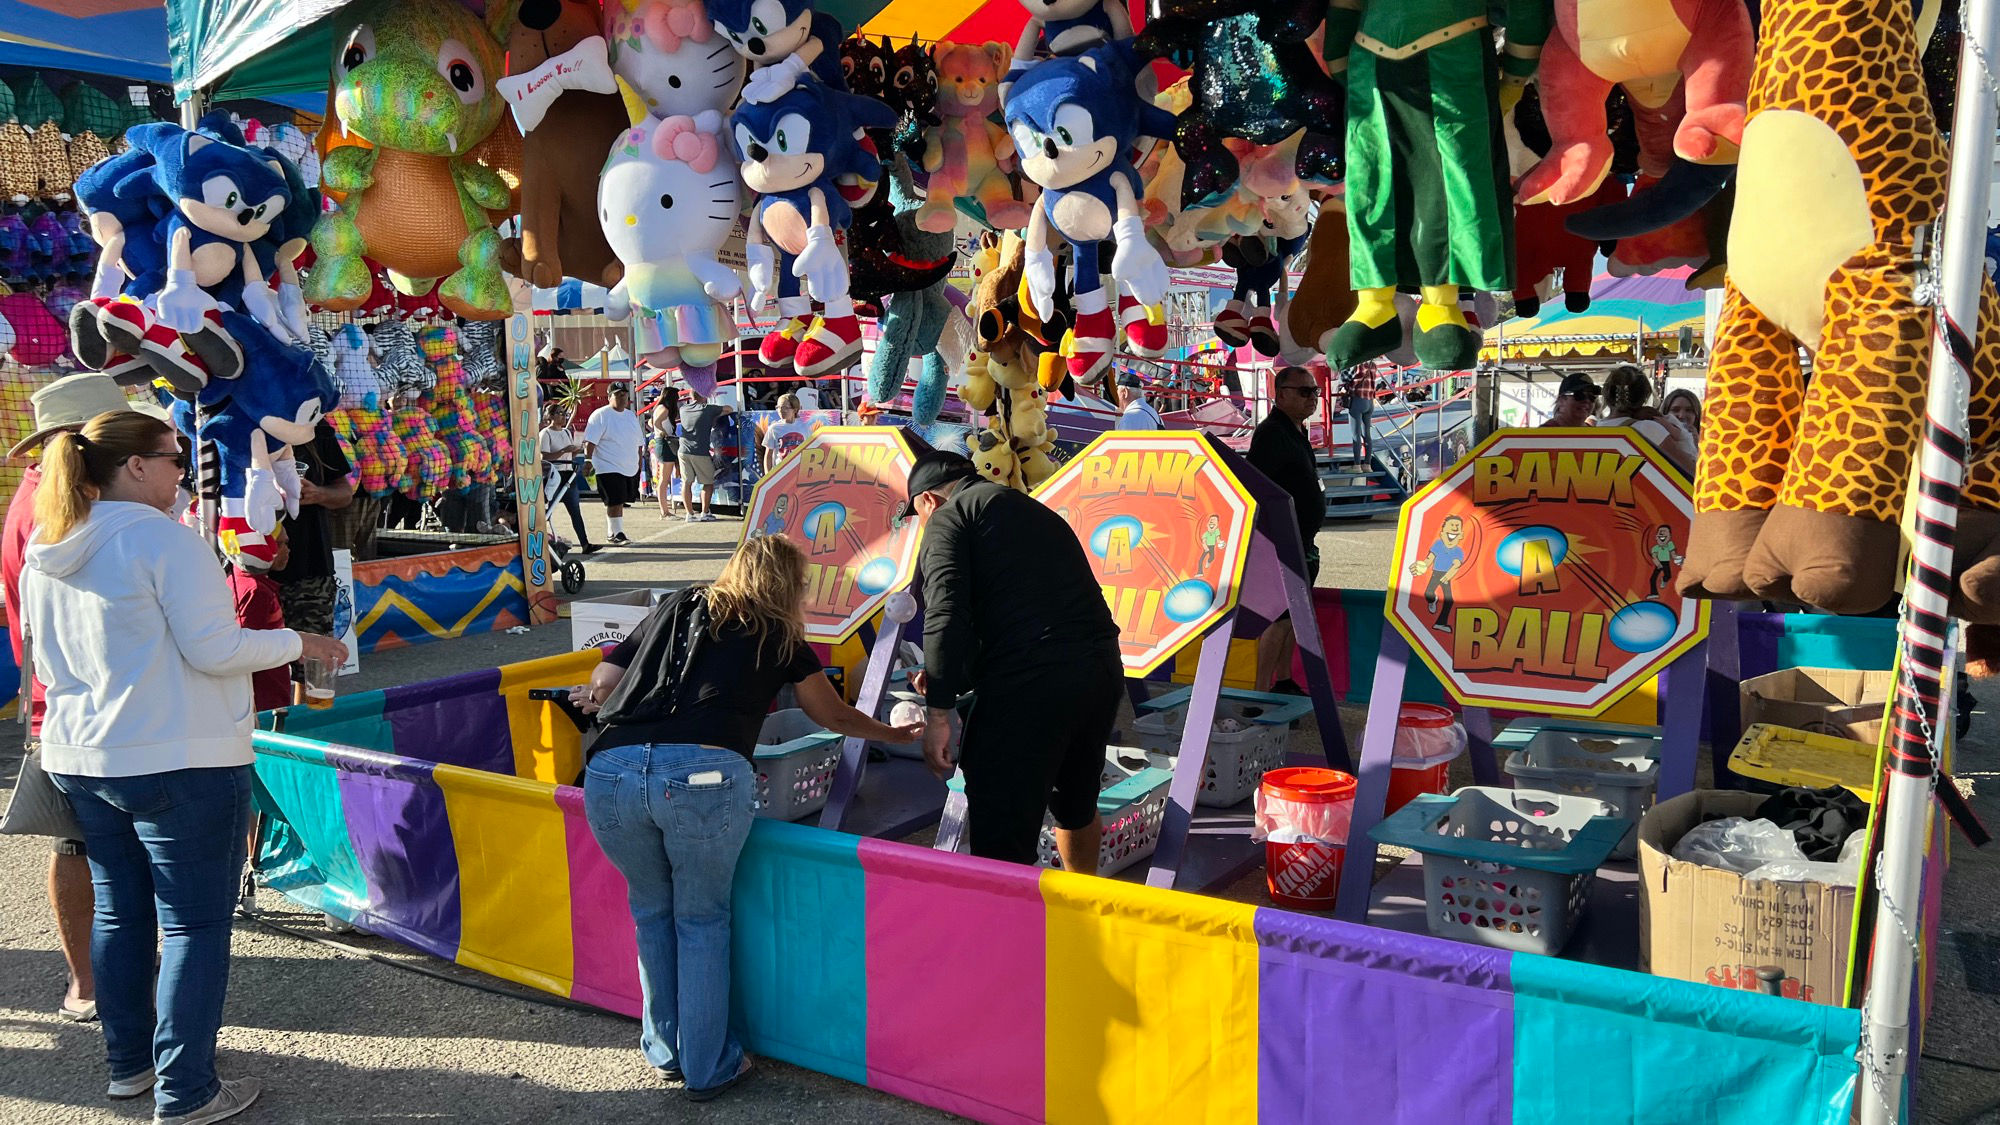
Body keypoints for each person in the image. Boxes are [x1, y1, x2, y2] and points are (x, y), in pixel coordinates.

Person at [22, 409, 347, 1125]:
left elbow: (45, 664)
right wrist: (301, 641)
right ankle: (188, 1089)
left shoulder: (50, 542)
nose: (182, 474)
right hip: (182, 759)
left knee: (121, 910)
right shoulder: (163, 543)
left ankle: (130, 1066)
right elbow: (218, 649)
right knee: (195, 927)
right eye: (174, 459)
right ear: (135, 466)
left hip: (85, 757)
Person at [569, 536, 920, 1101]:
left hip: (612, 770)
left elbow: (606, 681)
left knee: (651, 912)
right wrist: (893, 734)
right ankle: (708, 1068)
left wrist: (597, 696)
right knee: (701, 921)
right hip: (704, 776)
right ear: (790, 583)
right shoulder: (780, 633)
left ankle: (664, 1050)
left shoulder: (675, 606)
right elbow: (828, 712)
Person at [3, 375, 168, 1024]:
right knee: (83, 848)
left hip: (78, 702)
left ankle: (106, 980)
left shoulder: (55, 495)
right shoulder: (54, 505)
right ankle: (90, 983)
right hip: (77, 706)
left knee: (98, 850)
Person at [901, 451, 1123, 871]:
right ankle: (1082, 912)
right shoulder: (1030, 508)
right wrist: (948, 676)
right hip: (1099, 668)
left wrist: (939, 716)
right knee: (1075, 804)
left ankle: (1009, 930)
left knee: (1001, 830)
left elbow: (945, 614)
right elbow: (1023, 608)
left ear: (928, 501)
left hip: (1031, 684)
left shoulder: (948, 518)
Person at [1246, 365, 1326, 693]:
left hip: (1300, 540)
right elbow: (1253, 484)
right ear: (1280, 395)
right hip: (1280, 543)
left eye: (1315, 392)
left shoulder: (1295, 429)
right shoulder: (1271, 434)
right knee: (1278, 619)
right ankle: (1261, 691)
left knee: (1292, 617)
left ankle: (1282, 680)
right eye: (1304, 392)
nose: (1313, 398)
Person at [269, 419, 353, 704]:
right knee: (264, 667)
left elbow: (344, 491)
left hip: (310, 567)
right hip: (255, 570)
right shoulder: (240, 425)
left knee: (312, 670)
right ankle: (271, 738)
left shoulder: (314, 425)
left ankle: (307, 741)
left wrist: (319, 494)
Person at [226, 530, 297, 714]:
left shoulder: (242, 580)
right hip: (264, 702)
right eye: (280, 544)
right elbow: (246, 649)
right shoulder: (256, 592)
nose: (287, 550)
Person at [1599, 363, 1698, 476]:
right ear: (1645, 396)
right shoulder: (1648, 428)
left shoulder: (1594, 429)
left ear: (1607, 395)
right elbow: (1692, 470)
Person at [585, 383, 646, 545]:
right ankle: (616, 533)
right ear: (609, 396)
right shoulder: (600, 415)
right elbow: (590, 442)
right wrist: (588, 461)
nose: (623, 398)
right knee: (614, 500)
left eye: (625, 394)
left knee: (621, 501)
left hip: (628, 466)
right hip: (607, 465)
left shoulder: (630, 416)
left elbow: (639, 442)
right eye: (618, 395)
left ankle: (614, 531)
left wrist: (639, 462)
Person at [539, 404, 600, 553]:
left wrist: (575, 451)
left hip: (569, 475)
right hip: (554, 476)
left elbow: (568, 455)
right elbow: (544, 457)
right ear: (551, 416)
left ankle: (585, 543)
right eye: (559, 413)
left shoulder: (566, 432)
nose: (563, 416)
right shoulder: (545, 434)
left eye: (564, 413)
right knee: (547, 511)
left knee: (575, 511)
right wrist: (563, 451)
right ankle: (541, 542)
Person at [679, 388, 733, 523]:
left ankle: (689, 514)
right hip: (700, 451)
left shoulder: (684, 409)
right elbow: (729, 408)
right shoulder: (708, 409)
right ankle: (704, 512)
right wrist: (715, 415)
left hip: (683, 450)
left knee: (687, 482)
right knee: (708, 482)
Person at [761, 392, 813, 470]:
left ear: (795, 409)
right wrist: (768, 478)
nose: (781, 410)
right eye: (778, 407)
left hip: (800, 470)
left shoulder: (805, 427)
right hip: (780, 472)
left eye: (785, 407)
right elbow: (768, 455)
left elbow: (811, 451)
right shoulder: (774, 428)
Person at [651, 399, 680, 518]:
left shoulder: (657, 408)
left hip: (661, 442)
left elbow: (651, 422)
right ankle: (664, 511)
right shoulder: (665, 409)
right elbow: (656, 422)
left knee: (664, 478)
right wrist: (664, 433)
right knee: (664, 478)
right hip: (665, 442)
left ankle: (664, 510)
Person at [1340, 364, 1375, 461]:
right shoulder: (1372, 364)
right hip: (1370, 401)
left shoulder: (1357, 364)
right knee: (1367, 435)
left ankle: (1357, 465)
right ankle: (1367, 464)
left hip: (1358, 400)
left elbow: (1344, 378)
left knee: (1356, 435)